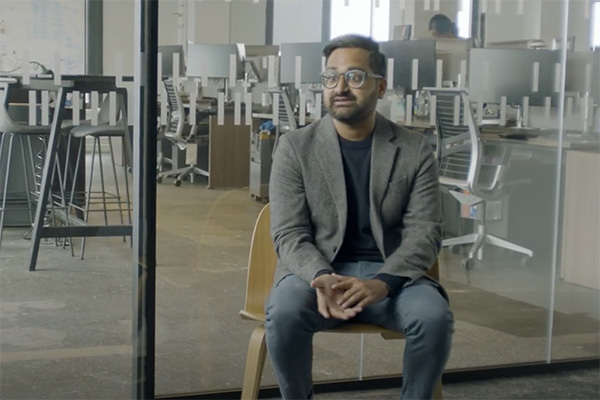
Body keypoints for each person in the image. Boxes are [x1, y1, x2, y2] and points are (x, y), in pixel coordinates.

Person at [266, 34, 454, 400]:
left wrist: (384, 282)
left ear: (380, 86)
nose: (340, 87)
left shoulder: (414, 149)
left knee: (433, 318)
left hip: (392, 277)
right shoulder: (295, 147)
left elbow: (425, 233)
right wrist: (320, 276)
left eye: (354, 76)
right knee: (285, 312)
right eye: (330, 77)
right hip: (318, 275)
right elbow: (289, 232)